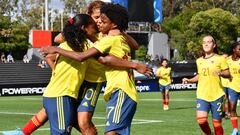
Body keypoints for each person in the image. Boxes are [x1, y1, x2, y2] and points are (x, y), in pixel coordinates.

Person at [41, 3, 141, 135]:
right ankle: (23, 132)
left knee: (81, 124)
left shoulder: (106, 38)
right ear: (87, 23)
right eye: (95, 18)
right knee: (64, 123)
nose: (98, 22)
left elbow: (94, 58)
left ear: (113, 23)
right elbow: (58, 45)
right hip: (68, 90)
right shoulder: (81, 41)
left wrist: (55, 49)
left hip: (96, 83)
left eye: (102, 18)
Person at [182, 35, 229, 135]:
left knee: (217, 124)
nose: (206, 44)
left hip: (217, 95)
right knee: (201, 120)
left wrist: (221, 73)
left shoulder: (220, 59)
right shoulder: (199, 61)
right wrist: (189, 80)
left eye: (209, 42)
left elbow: (228, 74)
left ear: (214, 45)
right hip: (202, 95)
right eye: (204, 42)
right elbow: (199, 75)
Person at [226, 42, 240, 135]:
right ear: (234, 50)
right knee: (232, 109)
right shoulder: (227, 60)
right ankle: (235, 130)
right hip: (233, 87)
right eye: (239, 49)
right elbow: (225, 72)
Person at [220, 53, 230, 119]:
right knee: (223, 100)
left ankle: (227, 112)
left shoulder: (230, 65)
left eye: (226, 57)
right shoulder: (220, 65)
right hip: (222, 85)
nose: (225, 58)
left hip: (230, 85)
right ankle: (223, 113)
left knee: (228, 100)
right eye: (224, 57)